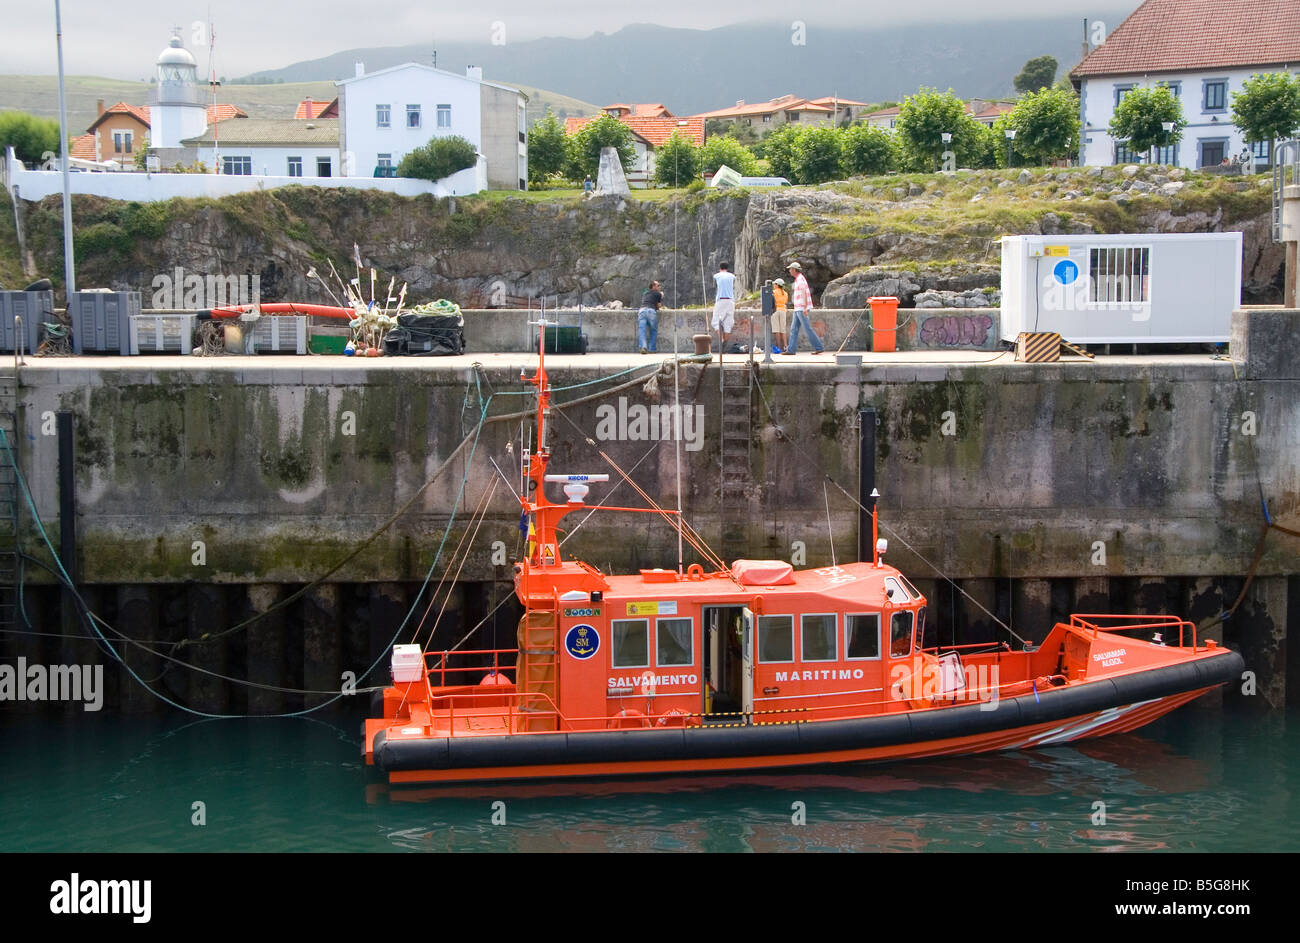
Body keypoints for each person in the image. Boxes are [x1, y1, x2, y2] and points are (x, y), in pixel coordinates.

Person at [784, 261, 823, 355]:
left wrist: (805, 307)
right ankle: (791, 350)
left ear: (794, 270)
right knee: (794, 329)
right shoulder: (798, 279)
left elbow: (804, 293)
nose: (789, 271)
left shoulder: (800, 279)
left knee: (807, 328)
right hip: (798, 308)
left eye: (790, 269)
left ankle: (819, 347)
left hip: (801, 308)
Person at [712, 262, 736, 346]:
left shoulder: (717, 276)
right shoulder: (732, 276)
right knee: (728, 323)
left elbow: (715, 285)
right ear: (727, 268)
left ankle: (721, 340)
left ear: (720, 268)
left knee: (715, 321)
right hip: (730, 301)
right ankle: (725, 343)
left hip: (721, 300)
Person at [637, 280, 663, 353]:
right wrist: (661, 296)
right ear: (654, 286)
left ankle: (643, 347)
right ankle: (652, 349)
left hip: (642, 311)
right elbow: (659, 306)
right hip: (651, 311)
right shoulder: (658, 294)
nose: (659, 287)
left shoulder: (645, 293)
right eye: (658, 285)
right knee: (653, 330)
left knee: (641, 330)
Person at [770, 277, 790, 354]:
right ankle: (785, 346)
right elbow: (785, 302)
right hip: (783, 311)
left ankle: (779, 347)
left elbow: (771, 302)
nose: (773, 285)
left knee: (777, 330)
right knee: (783, 330)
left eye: (774, 284)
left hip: (775, 311)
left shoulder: (773, 292)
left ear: (777, 285)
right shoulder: (785, 293)